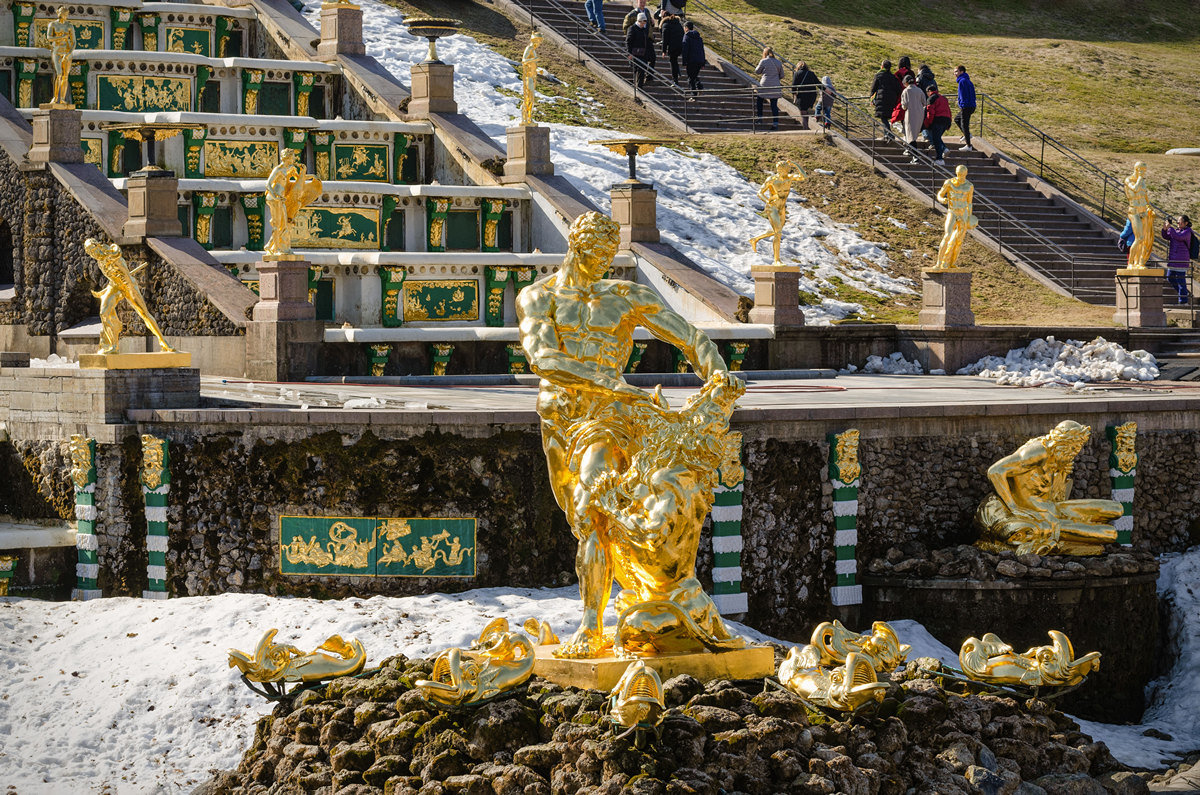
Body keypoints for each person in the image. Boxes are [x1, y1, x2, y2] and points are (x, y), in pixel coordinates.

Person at [516, 211, 741, 659]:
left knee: (595, 506)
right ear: (575, 248)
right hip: (563, 415)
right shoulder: (539, 297)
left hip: (611, 417)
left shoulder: (624, 296)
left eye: (608, 255)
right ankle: (623, 601)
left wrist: (716, 370)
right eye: (594, 254)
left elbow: (686, 334)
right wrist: (611, 382)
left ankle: (591, 625)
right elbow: (543, 359)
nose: (602, 263)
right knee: (580, 517)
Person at [974, 420, 1121, 556]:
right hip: (1036, 516)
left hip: (1052, 508)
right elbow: (995, 471)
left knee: (1116, 509)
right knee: (1110, 534)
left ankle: (1069, 540)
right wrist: (1013, 507)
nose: (1077, 451)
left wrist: (1061, 474)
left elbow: (1057, 498)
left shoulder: (1058, 458)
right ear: (1064, 441)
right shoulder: (1038, 452)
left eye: (1079, 447)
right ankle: (1064, 542)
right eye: (1075, 447)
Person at [85, 239, 176, 355]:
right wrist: (105, 291)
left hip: (128, 286)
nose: (92, 254)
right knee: (104, 313)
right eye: (89, 253)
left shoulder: (114, 255)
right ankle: (112, 346)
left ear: (98, 246)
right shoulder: (100, 261)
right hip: (115, 286)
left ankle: (164, 342)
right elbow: (113, 279)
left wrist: (124, 291)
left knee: (144, 314)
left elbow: (126, 277)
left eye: (92, 250)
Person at [748, 159, 807, 264]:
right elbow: (759, 193)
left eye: (787, 170)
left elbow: (804, 177)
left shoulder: (789, 178)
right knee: (778, 233)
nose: (786, 172)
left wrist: (795, 164)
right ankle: (776, 260)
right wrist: (767, 201)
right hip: (772, 207)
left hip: (782, 208)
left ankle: (755, 239)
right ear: (779, 170)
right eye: (784, 170)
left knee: (776, 231)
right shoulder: (771, 179)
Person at [934, 165, 976, 269]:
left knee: (959, 240)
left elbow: (969, 203)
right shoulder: (949, 183)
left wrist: (969, 216)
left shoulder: (969, 186)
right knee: (947, 235)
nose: (961, 176)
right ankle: (939, 263)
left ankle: (951, 262)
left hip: (963, 213)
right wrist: (941, 199)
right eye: (959, 174)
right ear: (956, 173)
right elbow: (940, 194)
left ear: (966, 174)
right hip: (952, 211)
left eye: (963, 174)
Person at [1124, 161, 1156, 270]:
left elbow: (1145, 196)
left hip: (1143, 211)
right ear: (1136, 169)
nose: (1143, 172)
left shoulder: (1142, 182)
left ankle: (1139, 263)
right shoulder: (1129, 180)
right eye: (1141, 170)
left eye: (1145, 170)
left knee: (1144, 239)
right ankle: (1130, 263)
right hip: (1134, 211)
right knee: (1139, 238)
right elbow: (1135, 189)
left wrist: (1150, 207)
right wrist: (1140, 178)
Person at [46, 8, 75, 107]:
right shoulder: (53, 24)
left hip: (67, 52)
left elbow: (74, 42)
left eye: (67, 13)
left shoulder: (69, 25)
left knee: (65, 76)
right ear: (59, 13)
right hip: (57, 51)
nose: (65, 15)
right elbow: (49, 38)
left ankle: (62, 99)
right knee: (58, 74)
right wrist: (61, 38)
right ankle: (55, 97)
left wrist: (68, 54)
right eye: (64, 13)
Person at [1162, 215, 1194, 303]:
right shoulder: (1176, 230)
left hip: (1181, 260)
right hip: (1173, 259)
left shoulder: (1187, 232)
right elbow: (1167, 236)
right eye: (1177, 222)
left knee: (1181, 280)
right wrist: (1165, 229)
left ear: (1186, 223)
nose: (1178, 223)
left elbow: (1178, 237)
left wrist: (1170, 228)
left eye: (1180, 222)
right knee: (1170, 278)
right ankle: (1183, 293)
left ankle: (1183, 300)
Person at [754, 47, 785, 131]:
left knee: (759, 100)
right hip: (775, 85)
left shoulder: (763, 61)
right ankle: (775, 123)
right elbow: (782, 75)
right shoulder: (778, 62)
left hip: (765, 84)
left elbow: (757, 71)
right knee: (774, 105)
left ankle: (760, 118)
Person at [869, 59, 901, 134]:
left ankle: (889, 134)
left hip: (882, 99)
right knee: (885, 117)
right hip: (891, 100)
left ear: (882, 66)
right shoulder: (893, 77)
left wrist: (871, 98)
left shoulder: (879, 75)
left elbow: (873, 88)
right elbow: (898, 89)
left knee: (883, 117)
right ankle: (886, 135)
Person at [924, 84, 952, 164]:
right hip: (946, 120)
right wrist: (949, 122)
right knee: (937, 137)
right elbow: (948, 111)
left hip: (937, 120)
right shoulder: (943, 98)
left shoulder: (931, 98)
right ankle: (944, 149)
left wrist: (928, 123)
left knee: (936, 139)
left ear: (929, 91)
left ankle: (940, 159)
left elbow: (930, 112)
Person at [519, 32, 543, 126]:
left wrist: (538, 70)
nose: (539, 43)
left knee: (531, 98)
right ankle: (524, 119)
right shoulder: (529, 48)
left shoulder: (533, 50)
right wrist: (535, 60)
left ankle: (529, 118)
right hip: (528, 76)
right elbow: (524, 60)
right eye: (538, 41)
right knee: (528, 97)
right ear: (534, 40)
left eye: (540, 41)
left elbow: (531, 65)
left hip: (533, 76)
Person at [899, 73, 926, 153]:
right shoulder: (919, 90)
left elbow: (904, 106)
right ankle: (911, 150)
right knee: (914, 133)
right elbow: (924, 102)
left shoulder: (906, 91)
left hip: (910, 114)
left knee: (910, 133)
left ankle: (914, 153)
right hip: (920, 113)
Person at [625, 13, 654, 88]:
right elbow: (628, 41)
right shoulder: (632, 28)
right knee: (637, 69)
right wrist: (629, 53)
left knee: (642, 69)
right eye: (642, 22)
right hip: (635, 53)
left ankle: (639, 86)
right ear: (639, 21)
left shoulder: (644, 29)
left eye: (645, 22)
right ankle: (638, 86)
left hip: (643, 53)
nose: (643, 24)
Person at [790, 60, 820, 130]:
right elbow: (818, 83)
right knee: (805, 110)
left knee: (803, 111)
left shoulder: (797, 73)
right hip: (812, 95)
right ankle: (806, 127)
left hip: (802, 95)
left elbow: (793, 86)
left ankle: (805, 128)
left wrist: (794, 94)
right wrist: (825, 89)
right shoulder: (811, 73)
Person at [954, 64, 976, 151]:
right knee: (957, 119)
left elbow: (962, 95)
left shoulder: (962, 81)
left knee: (964, 124)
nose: (955, 74)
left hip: (966, 106)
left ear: (961, 72)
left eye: (956, 71)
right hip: (971, 105)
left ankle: (968, 145)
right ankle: (967, 135)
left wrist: (962, 105)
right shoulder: (968, 81)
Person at [660, 12, 684, 84]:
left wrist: (664, 51)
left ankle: (675, 80)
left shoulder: (665, 24)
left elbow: (665, 39)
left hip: (673, 46)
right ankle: (678, 73)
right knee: (675, 60)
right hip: (680, 45)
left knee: (673, 61)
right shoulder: (678, 23)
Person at [681, 21, 705, 94]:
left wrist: (684, 62)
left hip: (691, 60)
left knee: (691, 78)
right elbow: (702, 50)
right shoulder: (699, 37)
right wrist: (703, 62)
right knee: (694, 75)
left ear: (686, 28)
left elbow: (685, 50)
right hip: (699, 60)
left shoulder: (686, 36)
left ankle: (693, 94)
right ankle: (699, 86)